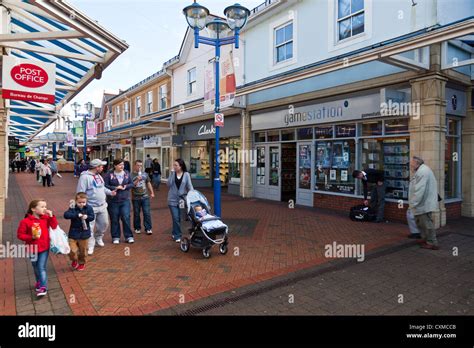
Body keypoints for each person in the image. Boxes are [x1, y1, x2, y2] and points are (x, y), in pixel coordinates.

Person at [17, 199, 58, 297]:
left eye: (45, 206)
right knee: (35, 266)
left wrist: (52, 216)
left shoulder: (45, 218)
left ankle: (43, 287)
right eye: (42, 207)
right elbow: (20, 235)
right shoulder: (25, 221)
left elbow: (54, 226)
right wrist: (31, 237)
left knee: (41, 267)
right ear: (33, 209)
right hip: (32, 248)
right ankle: (39, 282)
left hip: (44, 247)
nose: (45, 209)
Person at [76, 159, 117, 255]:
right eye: (101, 166)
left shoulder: (99, 176)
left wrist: (110, 192)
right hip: (90, 207)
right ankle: (91, 245)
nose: (103, 168)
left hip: (102, 205)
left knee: (104, 224)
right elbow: (80, 192)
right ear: (96, 167)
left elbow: (102, 188)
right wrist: (82, 206)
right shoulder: (84, 177)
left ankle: (98, 236)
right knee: (89, 227)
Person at [409, 156, 439, 250]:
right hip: (421, 203)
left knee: (426, 223)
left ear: (417, 163)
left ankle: (432, 242)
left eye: (412, 163)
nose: (410, 164)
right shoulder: (421, 170)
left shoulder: (422, 172)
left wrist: (413, 203)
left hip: (423, 203)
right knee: (420, 223)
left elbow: (419, 190)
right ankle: (425, 238)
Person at [104, 159, 134, 244]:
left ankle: (128, 236)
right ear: (115, 166)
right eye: (120, 165)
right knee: (114, 218)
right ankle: (115, 236)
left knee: (126, 217)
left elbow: (131, 184)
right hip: (113, 200)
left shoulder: (127, 173)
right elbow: (105, 185)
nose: (122, 166)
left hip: (125, 200)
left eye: (123, 165)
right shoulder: (109, 174)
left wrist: (125, 186)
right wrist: (115, 188)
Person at [64, 192, 95, 271]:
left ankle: (81, 263)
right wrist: (76, 215)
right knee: (72, 250)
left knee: (83, 251)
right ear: (76, 201)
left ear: (86, 201)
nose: (81, 204)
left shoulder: (89, 208)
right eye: (79, 202)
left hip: (84, 233)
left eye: (83, 202)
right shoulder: (73, 207)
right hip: (73, 233)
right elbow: (66, 215)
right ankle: (74, 259)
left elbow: (92, 217)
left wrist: (87, 217)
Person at [167, 159, 194, 243]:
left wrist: (193, 195)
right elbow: (168, 184)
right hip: (172, 200)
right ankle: (177, 235)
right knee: (175, 218)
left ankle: (174, 232)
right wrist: (171, 174)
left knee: (180, 218)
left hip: (182, 200)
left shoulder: (186, 174)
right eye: (174, 165)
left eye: (176, 165)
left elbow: (189, 186)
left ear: (181, 166)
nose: (174, 167)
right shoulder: (173, 174)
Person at [131, 160, 155, 235]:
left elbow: (148, 183)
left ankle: (148, 228)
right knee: (136, 213)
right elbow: (131, 186)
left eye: (141, 165)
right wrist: (137, 179)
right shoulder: (131, 175)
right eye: (138, 165)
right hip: (136, 197)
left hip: (145, 196)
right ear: (134, 165)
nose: (139, 167)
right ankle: (137, 228)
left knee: (147, 213)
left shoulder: (145, 174)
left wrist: (152, 192)